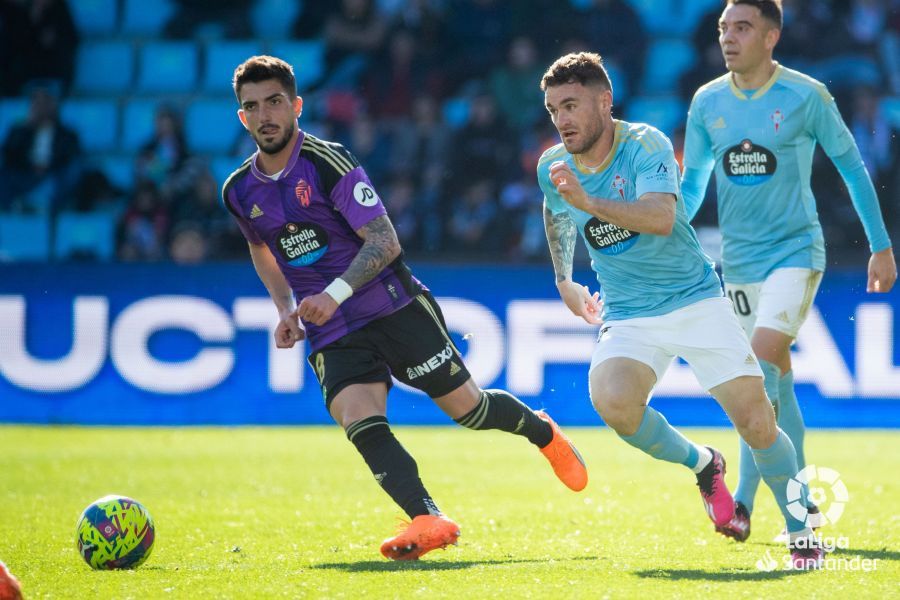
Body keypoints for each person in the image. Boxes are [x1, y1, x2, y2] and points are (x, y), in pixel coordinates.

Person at [221, 55, 588, 561]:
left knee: (471, 411)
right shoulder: (238, 191)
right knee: (358, 418)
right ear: (242, 117)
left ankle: (545, 432)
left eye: (275, 102)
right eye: (252, 106)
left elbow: (384, 241)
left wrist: (332, 294)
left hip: (392, 307)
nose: (265, 115)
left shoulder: (329, 162)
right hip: (333, 331)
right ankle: (427, 516)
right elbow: (262, 248)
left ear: (296, 106)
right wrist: (285, 308)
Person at [537, 51, 823, 569]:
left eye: (572, 105)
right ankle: (703, 463)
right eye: (554, 109)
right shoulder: (552, 165)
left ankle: (802, 525)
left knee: (758, 425)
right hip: (627, 311)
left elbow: (662, 217)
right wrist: (563, 278)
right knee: (614, 404)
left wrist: (588, 200)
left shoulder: (645, 143)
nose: (562, 121)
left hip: (694, 300)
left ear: (605, 101)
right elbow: (555, 210)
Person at [681, 0, 896, 543]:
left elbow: (851, 164)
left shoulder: (805, 95)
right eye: (723, 28)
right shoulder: (707, 102)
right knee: (770, 384)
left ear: (771, 36)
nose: (728, 37)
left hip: (797, 254)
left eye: (742, 27)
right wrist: (670, 239)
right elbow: (693, 183)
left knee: (760, 361)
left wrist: (881, 245)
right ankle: (774, 503)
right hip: (740, 264)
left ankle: (777, 511)